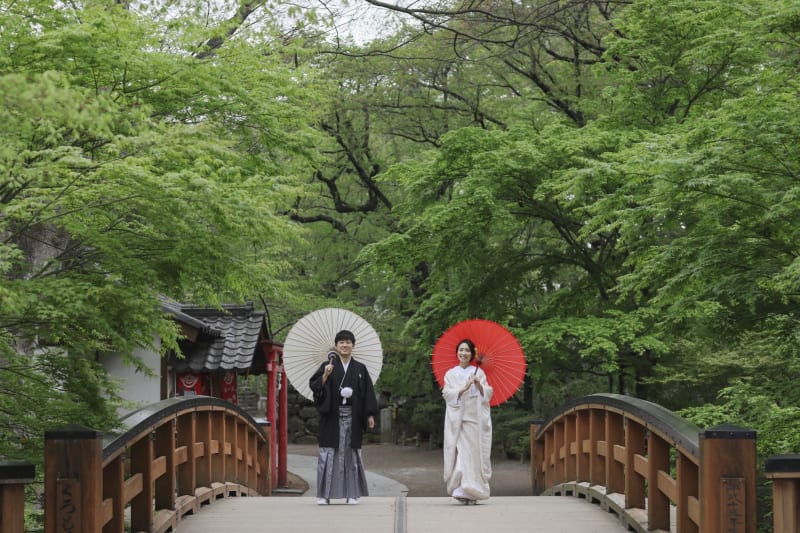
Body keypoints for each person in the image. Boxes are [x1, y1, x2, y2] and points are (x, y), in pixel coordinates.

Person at [309, 329, 378, 505]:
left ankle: (352, 494)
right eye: (341, 342)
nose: (345, 345)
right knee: (328, 453)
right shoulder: (328, 365)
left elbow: (368, 393)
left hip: (353, 417)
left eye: (348, 342)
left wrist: (369, 414)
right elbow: (315, 387)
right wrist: (325, 375)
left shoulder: (360, 368)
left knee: (351, 454)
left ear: (353, 345)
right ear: (336, 345)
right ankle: (324, 494)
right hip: (332, 416)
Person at [442, 338, 493, 504]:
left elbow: (487, 394)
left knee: (474, 456)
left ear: (472, 354)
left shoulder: (479, 373)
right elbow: (447, 394)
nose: (463, 353)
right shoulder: (451, 373)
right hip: (458, 421)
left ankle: (471, 489)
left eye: (467, 351)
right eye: (461, 350)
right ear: (457, 352)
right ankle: (465, 487)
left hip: (475, 421)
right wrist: (463, 388)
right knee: (463, 455)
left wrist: (478, 384)